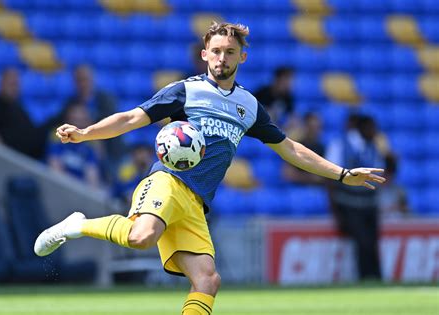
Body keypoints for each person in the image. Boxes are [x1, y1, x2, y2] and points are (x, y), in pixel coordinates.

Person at [34, 22, 385, 314]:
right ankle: (78, 225)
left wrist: (342, 173)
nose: (221, 58)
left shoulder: (249, 106)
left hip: (197, 202)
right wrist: (85, 133)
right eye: (215, 51)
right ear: (205, 54)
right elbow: (131, 117)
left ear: (242, 57)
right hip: (168, 181)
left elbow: (290, 149)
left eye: (229, 52)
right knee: (141, 236)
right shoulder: (185, 91)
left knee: (207, 280)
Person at [326, 114, 386, 281]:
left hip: (370, 204)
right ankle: (365, 277)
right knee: (363, 242)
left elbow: (382, 172)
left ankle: (377, 277)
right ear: (362, 129)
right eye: (371, 128)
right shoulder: (340, 145)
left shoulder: (374, 146)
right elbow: (330, 178)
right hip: (349, 204)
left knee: (373, 242)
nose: (375, 132)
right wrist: (335, 210)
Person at [0, 68, 50, 160]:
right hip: (9, 160)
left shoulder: (19, 107)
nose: (14, 88)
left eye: (17, 84)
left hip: (28, 159)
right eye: (11, 84)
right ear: (1, 83)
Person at [47, 103, 101, 188]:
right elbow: (54, 165)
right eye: (75, 119)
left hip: (81, 188)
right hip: (59, 185)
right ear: (68, 119)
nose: (77, 124)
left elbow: (92, 174)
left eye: (81, 120)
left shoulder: (91, 142)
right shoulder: (58, 135)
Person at [283, 112, 326, 185]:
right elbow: (288, 174)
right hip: (296, 188)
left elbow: (323, 177)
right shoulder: (295, 146)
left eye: (317, 128)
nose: (314, 131)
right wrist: (310, 178)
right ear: (305, 127)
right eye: (311, 127)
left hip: (316, 189)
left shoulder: (322, 148)